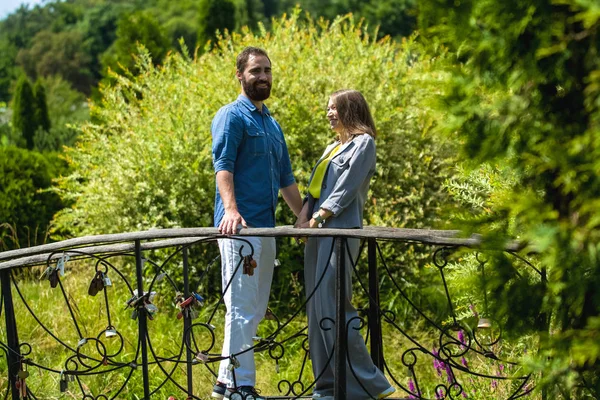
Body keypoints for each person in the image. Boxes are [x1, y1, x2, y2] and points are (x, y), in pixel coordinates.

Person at [211, 46, 302, 400]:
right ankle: (240, 386)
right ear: (240, 75)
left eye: (267, 70)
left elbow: (286, 179)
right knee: (241, 307)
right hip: (240, 230)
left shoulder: (272, 124)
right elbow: (223, 166)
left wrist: (303, 220)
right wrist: (231, 210)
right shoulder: (231, 116)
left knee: (255, 309)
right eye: (255, 71)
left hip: (267, 229)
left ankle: (223, 382)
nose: (263, 76)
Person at [301, 89, 395, 399]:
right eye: (328, 108)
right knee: (317, 309)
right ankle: (327, 386)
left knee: (334, 303)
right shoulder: (331, 148)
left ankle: (371, 385)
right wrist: (303, 219)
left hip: (340, 232)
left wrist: (319, 217)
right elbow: (314, 190)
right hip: (317, 233)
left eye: (334, 108)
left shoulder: (364, 144)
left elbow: (346, 188)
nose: (329, 113)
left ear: (350, 110)